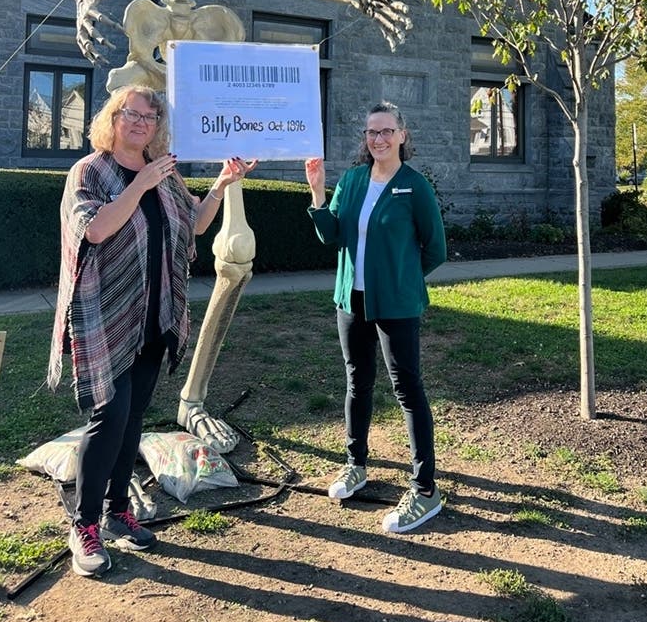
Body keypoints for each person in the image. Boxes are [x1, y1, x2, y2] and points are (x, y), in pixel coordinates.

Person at [47, 84, 257, 577]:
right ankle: (85, 524)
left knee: (133, 418)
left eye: (150, 116)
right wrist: (139, 184)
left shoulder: (164, 173)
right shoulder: (91, 172)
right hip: (104, 318)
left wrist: (223, 184)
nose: (141, 123)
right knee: (108, 419)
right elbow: (94, 229)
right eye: (132, 114)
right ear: (113, 118)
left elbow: (196, 225)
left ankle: (119, 510)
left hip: (153, 316)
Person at [303, 101, 448, 534]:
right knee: (356, 382)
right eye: (371, 132)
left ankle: (425, 491)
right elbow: (331, 234)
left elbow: (435, 248)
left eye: (386, 131)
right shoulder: (350, 180)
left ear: (403, 135)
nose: (378, 139)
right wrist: (317, 192)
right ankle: (355, 465)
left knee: (407, 390)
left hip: (397, 305)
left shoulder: (414, 187)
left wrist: (400, 281)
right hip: (350, 300)